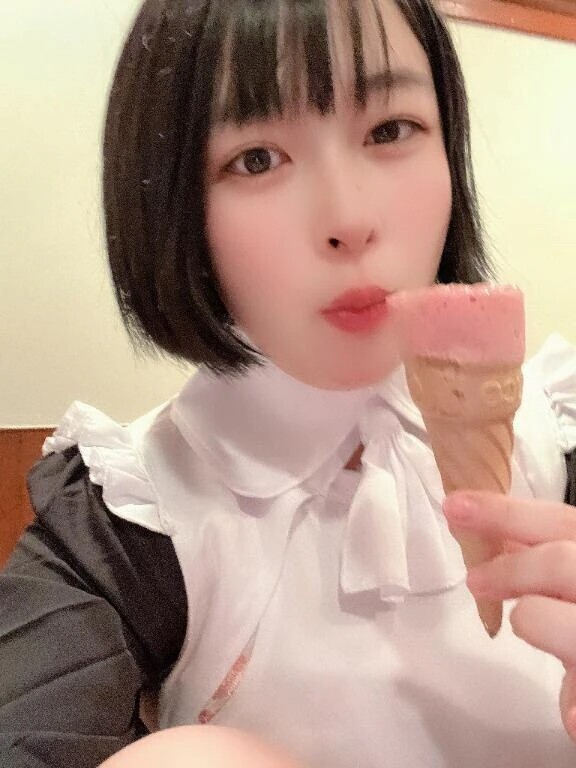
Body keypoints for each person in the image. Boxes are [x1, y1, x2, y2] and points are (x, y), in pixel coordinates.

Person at [1, 0, 576, 765]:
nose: (349, 218)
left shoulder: (557, 432)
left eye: (390, 130)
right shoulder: (132, 511)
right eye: (256, 159)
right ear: (172, 203)